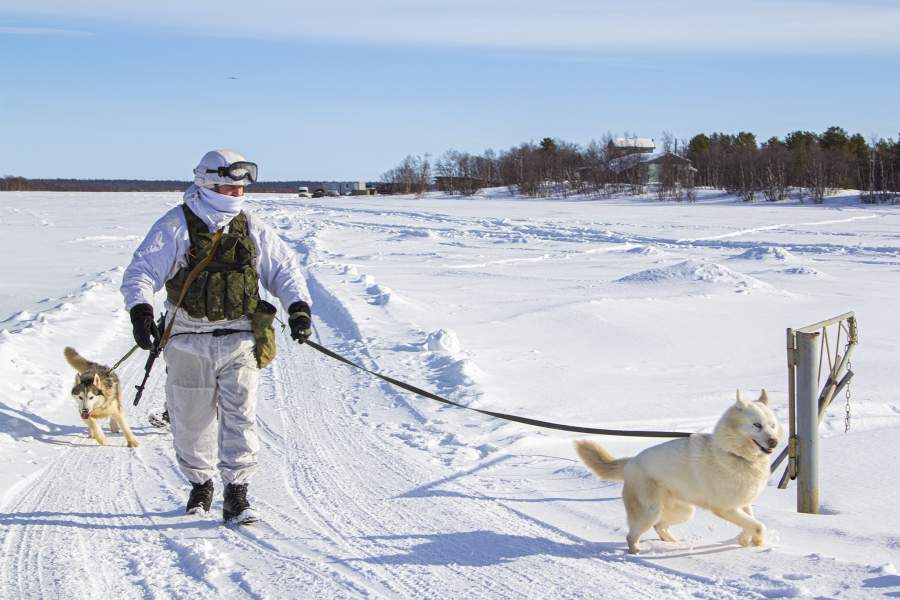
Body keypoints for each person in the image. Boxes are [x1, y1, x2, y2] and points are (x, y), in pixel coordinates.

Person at [121, 149, 312, 524]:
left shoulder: (252, 226)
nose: (236, 195)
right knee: (191, 422)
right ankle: (200, 483)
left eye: (241, 190)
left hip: (239, 338)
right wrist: (141, 312)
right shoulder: (175, 225)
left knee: (240, 417)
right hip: (188, 339)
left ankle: (237, 493)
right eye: (229, 187)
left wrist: (298, 308)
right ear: (207, 182)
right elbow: (142, 272)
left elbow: (284, 269)